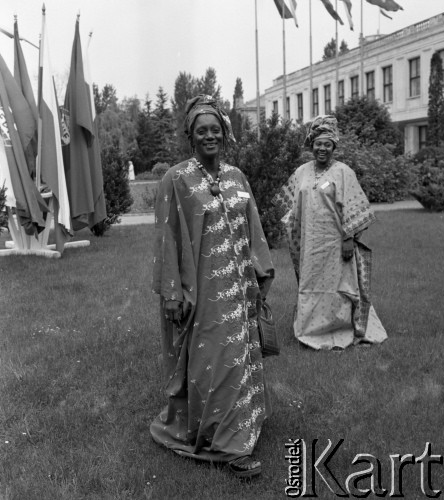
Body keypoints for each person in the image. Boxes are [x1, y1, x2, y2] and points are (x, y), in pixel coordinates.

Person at [150, 94, 274, 478]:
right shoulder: (176, 179)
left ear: (225, 133)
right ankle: (226, 447)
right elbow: (167, 239)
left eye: (215, 129)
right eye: (202, 130)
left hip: (240, 289)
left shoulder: (236, 177)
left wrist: (261, 273)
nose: (210, 136)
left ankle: (240, 428)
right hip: (201, 292)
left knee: (238, 358)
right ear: (191, 136)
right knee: (215, 361)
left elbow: (253, 227)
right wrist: (173, 293)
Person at [272, 115, 387, 350]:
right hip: (310, 245)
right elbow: (287, 206)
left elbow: (355, 207)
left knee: (339, 287)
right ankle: (309, 331)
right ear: (311, 145)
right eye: (318, 143)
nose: (322, 148)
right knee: (311, 286)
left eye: (327, 144)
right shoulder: (302, 172)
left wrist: (348, 239)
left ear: (334, 146)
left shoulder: (344, 172)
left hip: (335, 243)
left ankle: (341, 328)